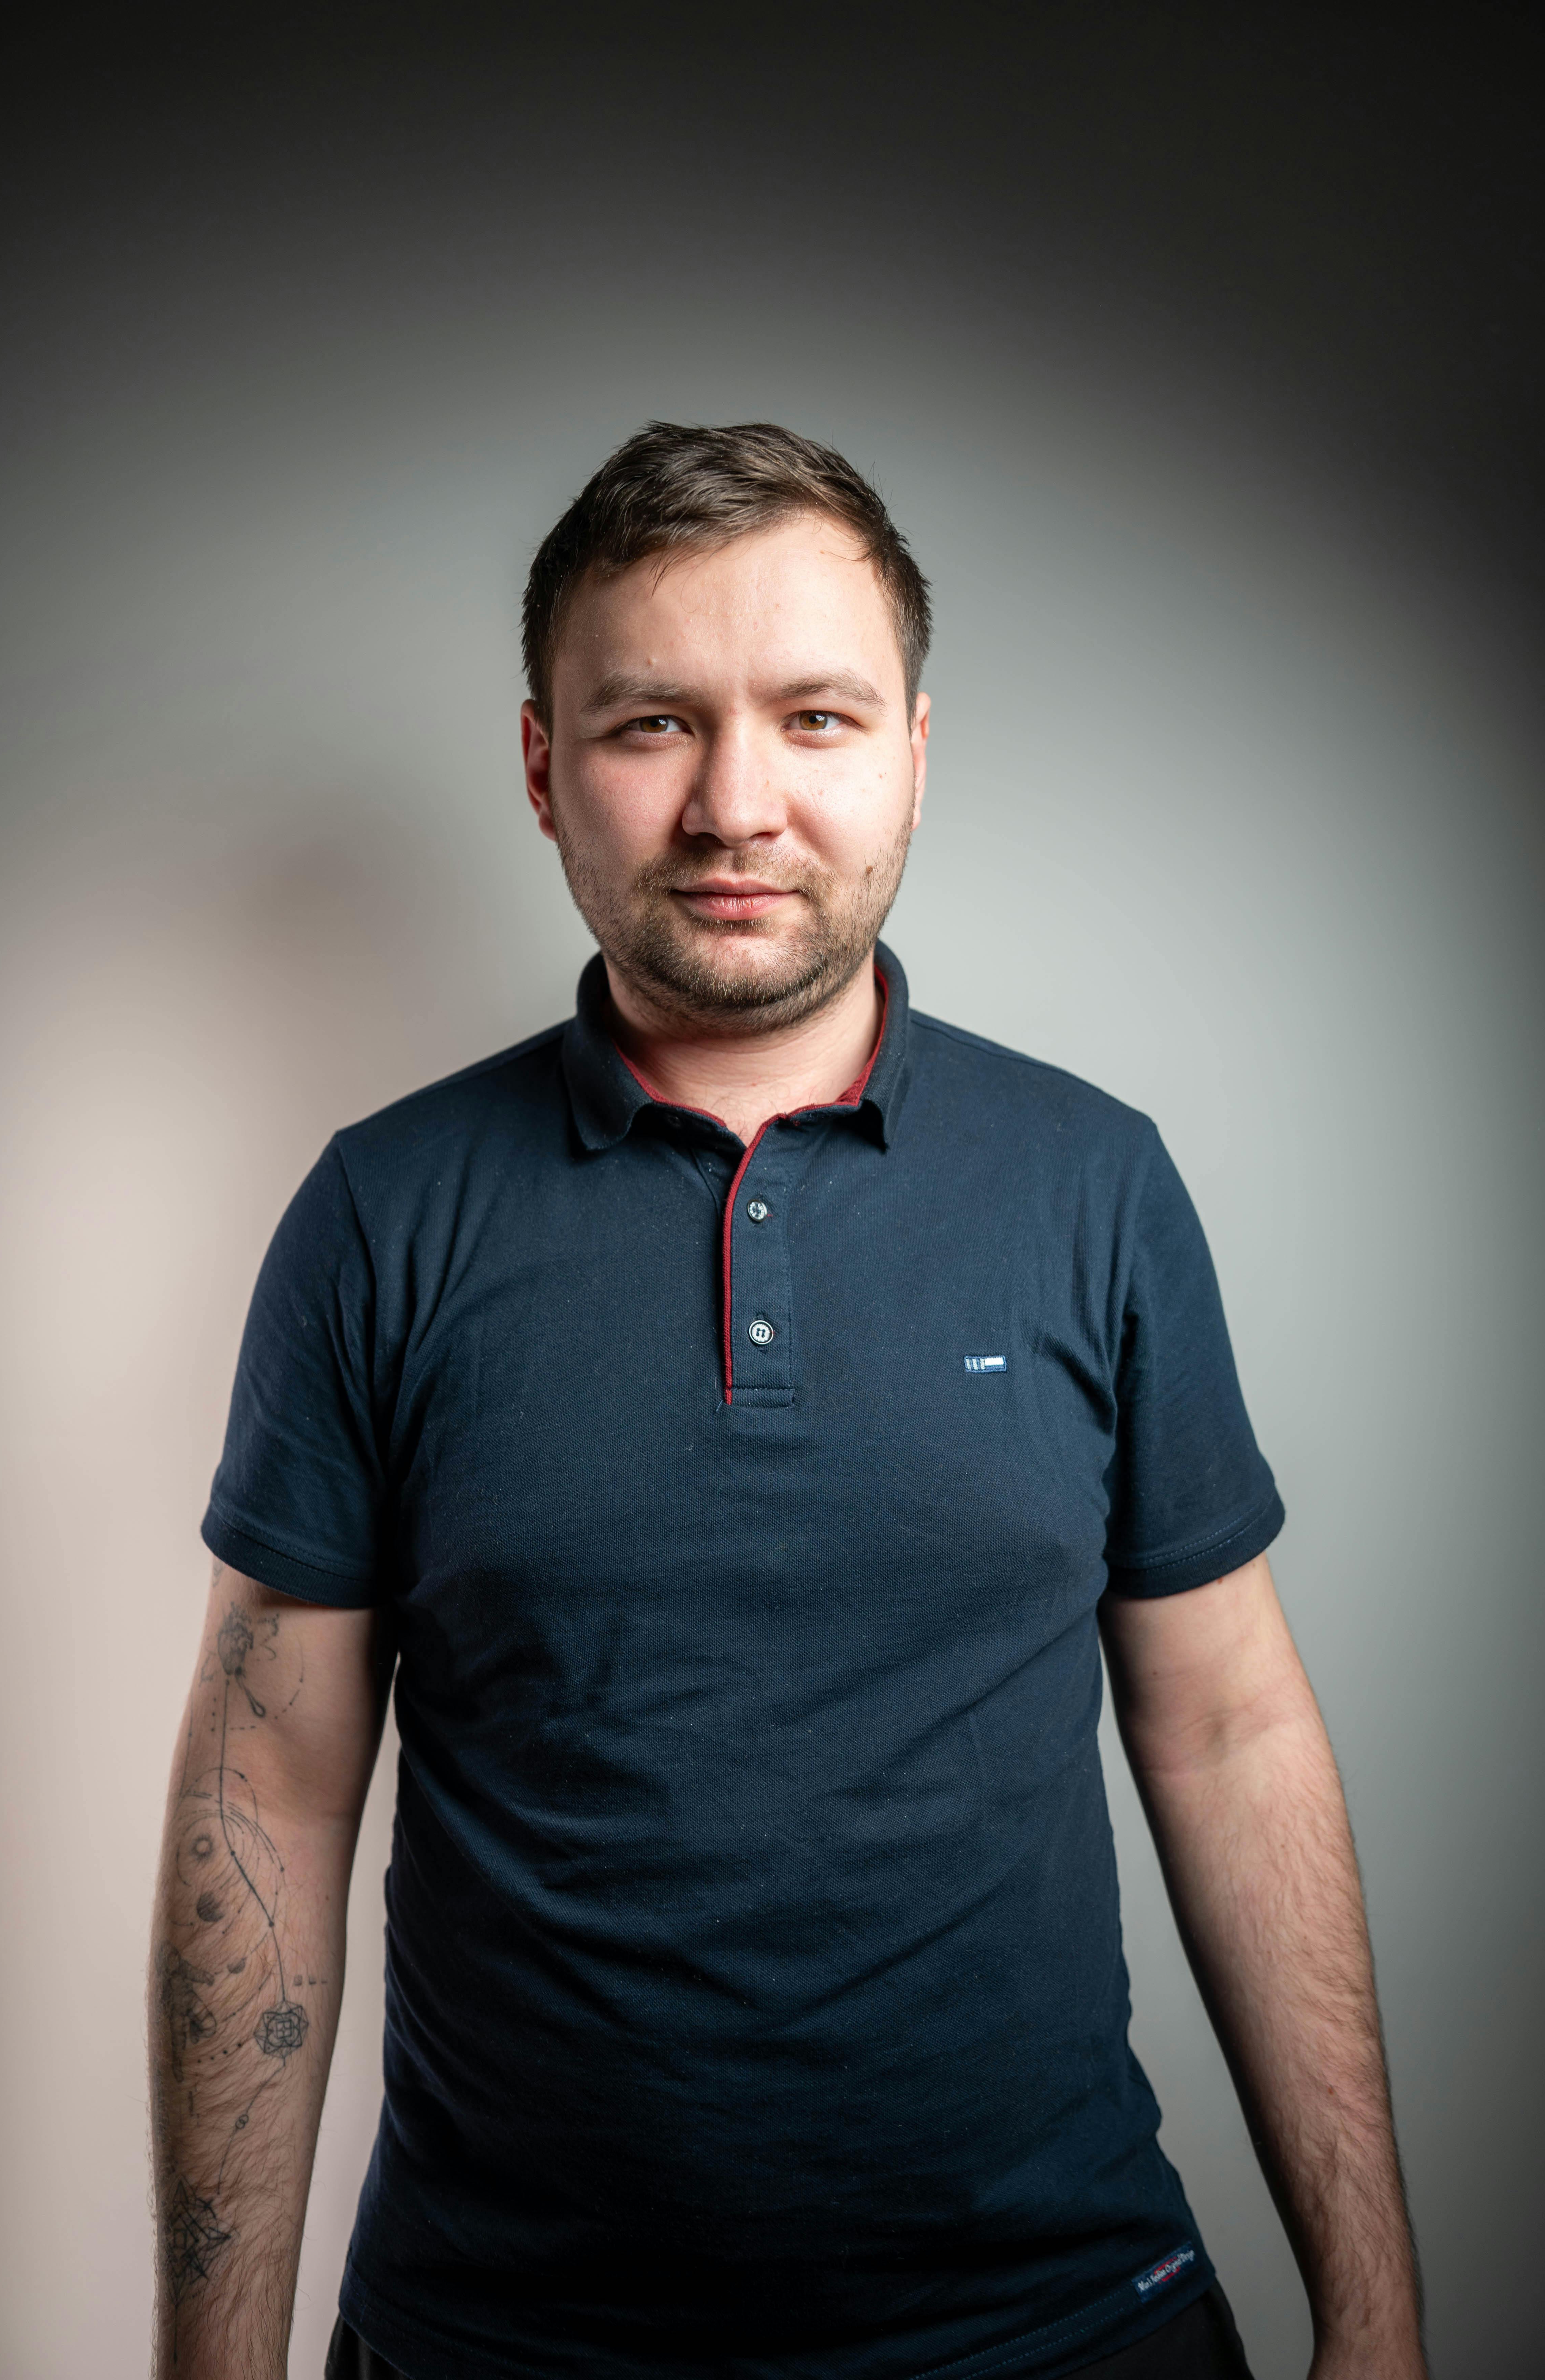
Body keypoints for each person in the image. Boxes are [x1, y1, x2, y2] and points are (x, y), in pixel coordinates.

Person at [148, 422, 1426, 2380]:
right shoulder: (380, 1219)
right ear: (542, 766)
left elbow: (1234, 1732)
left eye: (815, 718)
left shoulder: (1093, 1189)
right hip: (508, 2348)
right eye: (654, 722)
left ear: (914, 749)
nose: (735, 804)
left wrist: (1380, 2312)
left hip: (1064, 2334)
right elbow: (268, 1790)